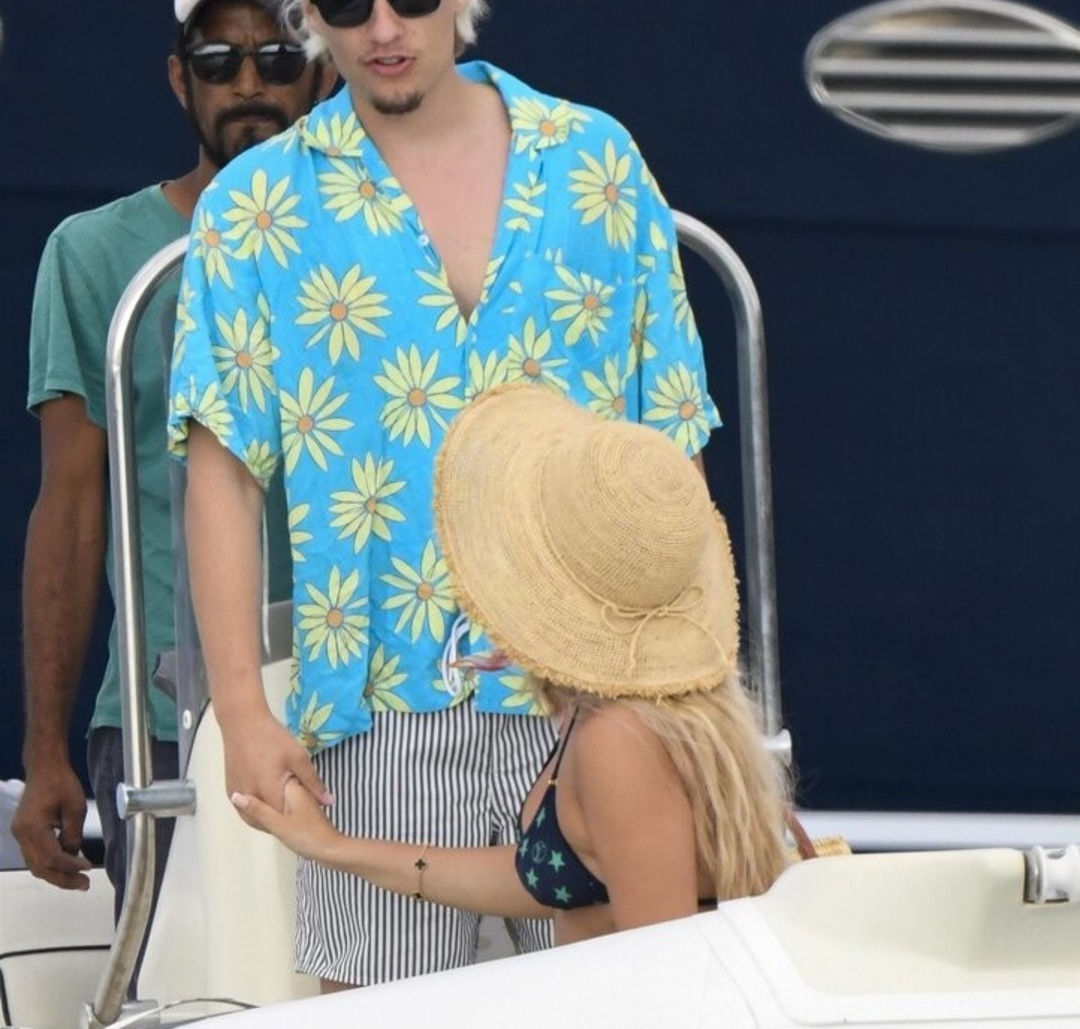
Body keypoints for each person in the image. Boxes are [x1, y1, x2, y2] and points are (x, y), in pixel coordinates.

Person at [167, 0, 722, 988]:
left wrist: (696, 688)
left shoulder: (594, 161)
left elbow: (669, 450)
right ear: (312, 15)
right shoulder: (254, 206)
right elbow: (222, 471)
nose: (383, 28)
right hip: (376, 701)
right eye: (345, 2)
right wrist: (243, 710)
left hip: (595, 694)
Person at [15, 0, 335, 919]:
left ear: (323, 70)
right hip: (161, 721)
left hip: (365, 707)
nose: (251, 82)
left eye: (278, 55)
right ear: (177, 78)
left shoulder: (386, 240)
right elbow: (72, 509)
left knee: (376, 994)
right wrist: (45, 747)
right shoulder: (93, 251)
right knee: (183, 996)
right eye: (219, 59)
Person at [232, 385, 790, 939]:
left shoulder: (620, 738)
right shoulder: (614, 710)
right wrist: (333, 848)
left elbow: (666, 966)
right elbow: (543, 877)